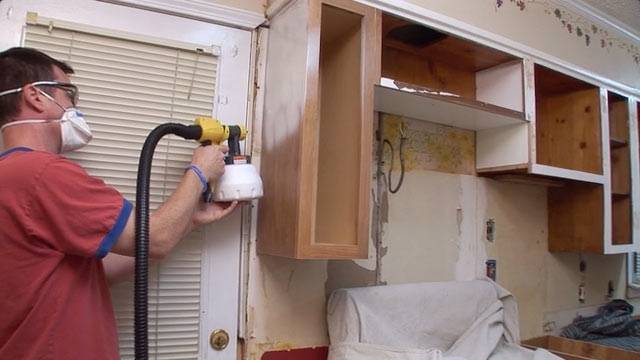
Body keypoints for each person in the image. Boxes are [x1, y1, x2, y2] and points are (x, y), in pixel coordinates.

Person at [0, 47, 238, 359]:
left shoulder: (11, 177)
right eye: (69, 93)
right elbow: (155, 239)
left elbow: (99, 269)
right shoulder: (41, 173)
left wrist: (190, 219)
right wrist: (200, 171)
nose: (74, 106)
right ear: (36, 96)